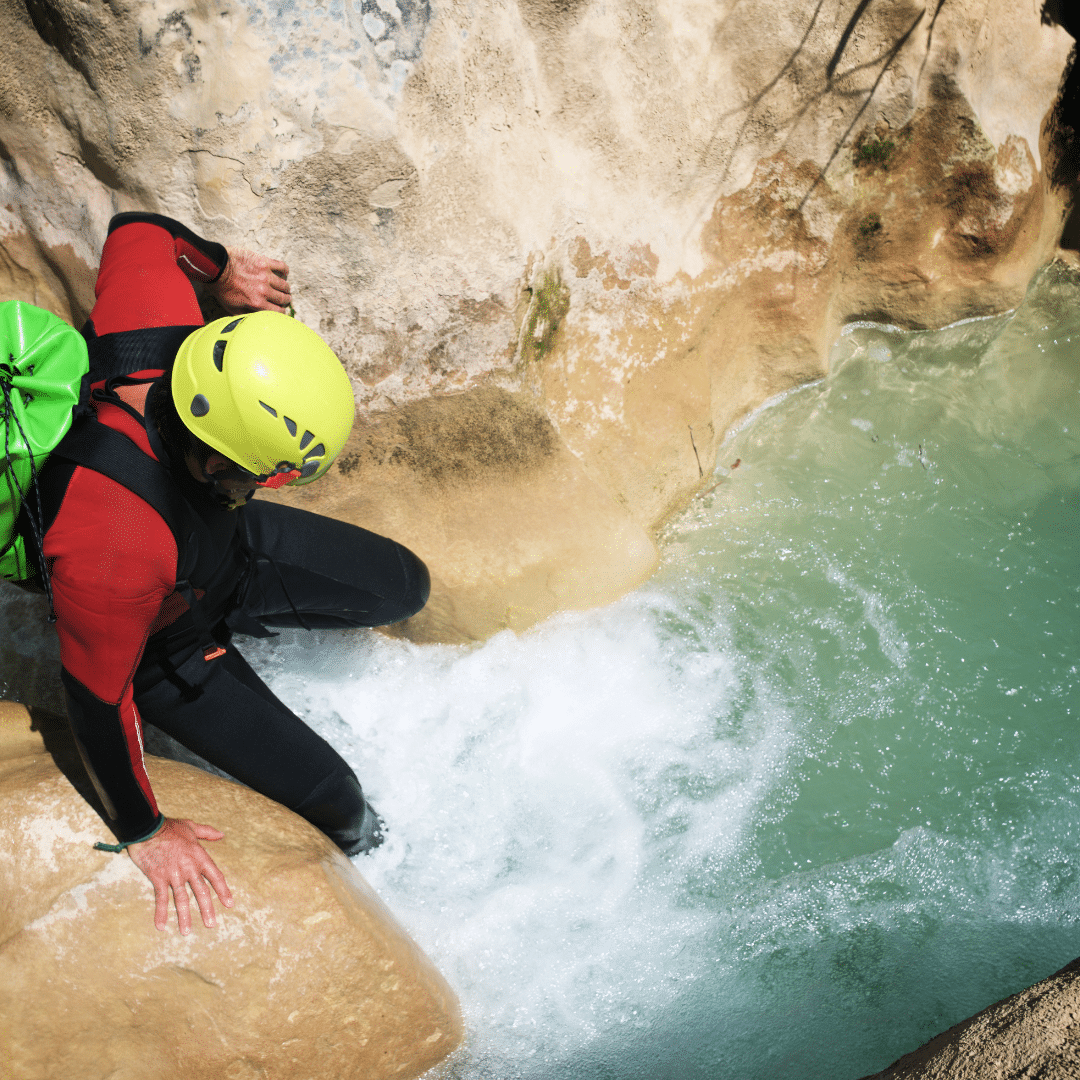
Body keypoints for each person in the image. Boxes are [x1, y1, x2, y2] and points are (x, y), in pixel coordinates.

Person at [25, 213, 429, 935]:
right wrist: (144, 830)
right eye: (261, 475)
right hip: (169, 650)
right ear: (213, 459)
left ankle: (246, 606)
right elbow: (95, 699)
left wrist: (222, 274)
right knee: (341, 801)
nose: (268, 481)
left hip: (221, 555)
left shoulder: (160, 324)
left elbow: (140, 231)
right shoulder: (115, 546)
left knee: (403, 585)